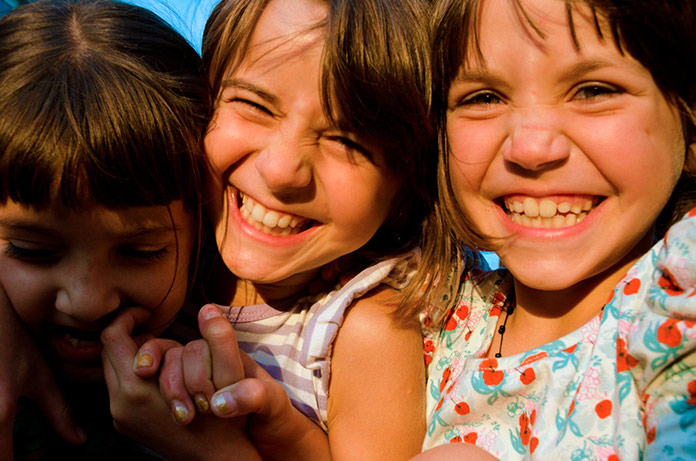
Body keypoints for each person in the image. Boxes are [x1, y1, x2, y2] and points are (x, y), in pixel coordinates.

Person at [104, 0, 435, 459]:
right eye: (254, 105)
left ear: (408, 186)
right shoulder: (150, 241)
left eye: (345, 140)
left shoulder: (365, 332)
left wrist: (217, 452)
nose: (282, 171)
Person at [411, 0, 696, 459]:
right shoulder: (435, 309)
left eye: (593, 90)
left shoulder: (678, 298)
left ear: (686, 112)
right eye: (484, 98)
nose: (530, 145)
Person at [0, 0, 210, 457]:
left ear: (202, 226)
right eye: (30, 250)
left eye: (141, 252)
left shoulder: (239, 379)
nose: (88, 302)